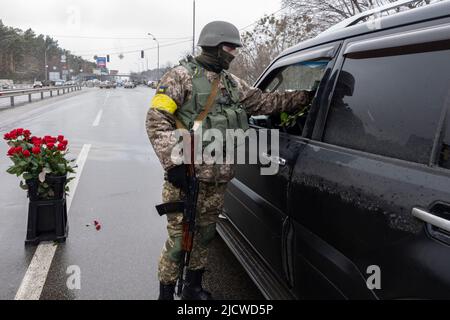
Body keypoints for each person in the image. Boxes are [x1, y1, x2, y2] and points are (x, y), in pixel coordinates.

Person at [146, 21, 312, 300]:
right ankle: (165, 293)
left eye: (235, 47)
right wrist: (174, 163)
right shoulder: (180, 77)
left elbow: (265, 102)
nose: (234, 53)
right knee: (178, 241)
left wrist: (308, 97)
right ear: (213, 45)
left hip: (217, 179)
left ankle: (193, 287)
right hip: (186, 177)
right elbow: (156, 120)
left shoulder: (232, 84)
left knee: (206, 234)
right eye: (230, 47)